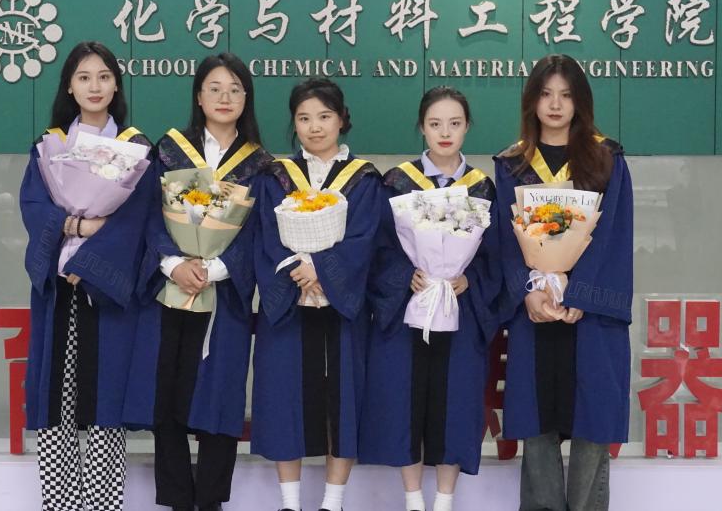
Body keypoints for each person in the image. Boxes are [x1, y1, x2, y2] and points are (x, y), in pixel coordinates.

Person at [124, 53, 272, 511]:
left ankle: (209, 501)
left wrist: (216, 268)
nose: (225, 97)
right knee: (167, 394)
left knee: (219, 397)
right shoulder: (169, 150)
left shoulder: (261, 164)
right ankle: (175, 499)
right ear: (199, 96)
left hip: (223, 294)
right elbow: (148, 215)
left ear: (246, 98)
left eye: (235, 89)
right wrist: (173, 263)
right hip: (171, 289)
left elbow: (260, 232)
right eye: (215, 88)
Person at [494, 54, 633, 511]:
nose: (555, 105)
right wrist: (527, 291)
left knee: (592, 424)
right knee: (537, 425)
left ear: (580, 101)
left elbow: (613, 236)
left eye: (566, 95)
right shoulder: (512, 164)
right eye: (546, 94)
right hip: (536, 313)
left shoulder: (606, 159)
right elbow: (504, 241)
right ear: (532, 101)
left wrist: (581, 295)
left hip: (587, 315)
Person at [20, 41, 153, 511]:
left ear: (116, 85)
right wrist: (75, 229)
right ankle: (59, 504)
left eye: (103, 76)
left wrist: (90, 263)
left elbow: (140, 220)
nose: (94, 86)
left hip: (106, 290)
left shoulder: (137, 148)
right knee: (56, 398)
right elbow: (34, 206)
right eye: (83, 77)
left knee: (104, 399)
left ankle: (102, 504)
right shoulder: (50, 145)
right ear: (70, 87)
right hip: (59, 288)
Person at [359, 86, 501, 511]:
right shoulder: (396, 183)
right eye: (435, 123)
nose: (445, 133)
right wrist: (406, 276)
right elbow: (377, 247)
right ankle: (412, 501)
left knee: (453, 404)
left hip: (460, 313)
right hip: (408, 309)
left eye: (454, 123)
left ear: (467, 126)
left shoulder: (483, 188)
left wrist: (470, 280)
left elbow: (497, 255)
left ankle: (444, 501)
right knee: (405, 402)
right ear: (421, 127)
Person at [252, 77, 382, 511]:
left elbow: (366, 237)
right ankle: (290, 502)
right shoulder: (275, 176)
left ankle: (333, 501)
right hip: (290, 299)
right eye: (304, 118)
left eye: (324, 116)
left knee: (342, 401)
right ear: (294, 123)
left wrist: (322, 270)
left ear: (342, 119)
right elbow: (265, 234)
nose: (314, 127)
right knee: (284, 395)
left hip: (341, 306)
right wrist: (298, 270)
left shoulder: (364, 178)